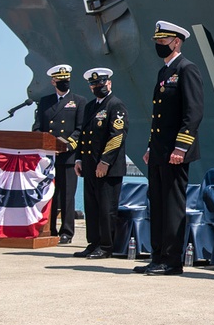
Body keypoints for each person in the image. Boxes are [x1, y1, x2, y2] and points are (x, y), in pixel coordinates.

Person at [137, 20, 204, 276]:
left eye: (163, 41)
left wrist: (181, 147)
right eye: (156, 41)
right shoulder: (164, 72)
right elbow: (160, 118)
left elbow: (193, 112)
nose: (158, 45)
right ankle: (158, 256)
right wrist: (150, 146)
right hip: (159, 150)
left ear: (176, 42)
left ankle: (172, 260)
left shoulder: (187, 69)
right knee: (157, 203)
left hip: (175, 152)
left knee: (172, 205)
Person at [75, 68, 128, 259]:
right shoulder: (90, 107)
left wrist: (105, 162)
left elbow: (117, 136)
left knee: (107, 209)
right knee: (92, 207)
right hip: (89, 166)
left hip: (108, 169)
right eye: (94, 84)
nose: (99, 87)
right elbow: (83, 135)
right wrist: (79, 159)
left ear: (109, 83)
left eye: (102, 83)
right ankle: (94, 243)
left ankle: (106, 246)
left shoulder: (116, 105)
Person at [32, 63, 85, 244]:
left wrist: (67, 145)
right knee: (49, 194)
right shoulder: (45, 102)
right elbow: (38, 127)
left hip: (68, 156)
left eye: (67, 80)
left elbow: (80, 129)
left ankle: (67, 232)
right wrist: (44, 143)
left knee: (67, 196)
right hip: (48, 158)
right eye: (60, 81)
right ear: (53, 81)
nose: (64, 83)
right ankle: (49, 228)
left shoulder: (79, 101)